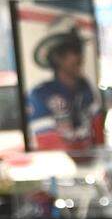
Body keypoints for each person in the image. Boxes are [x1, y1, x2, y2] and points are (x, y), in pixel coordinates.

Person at [26, 23, 104, 152]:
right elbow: (49, 145)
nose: (80, 57)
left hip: (91, 165)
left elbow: (98, 131)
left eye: (80, 50)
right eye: (73, 51)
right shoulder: (40, 95)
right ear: (57, 58)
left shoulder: (85, 87)